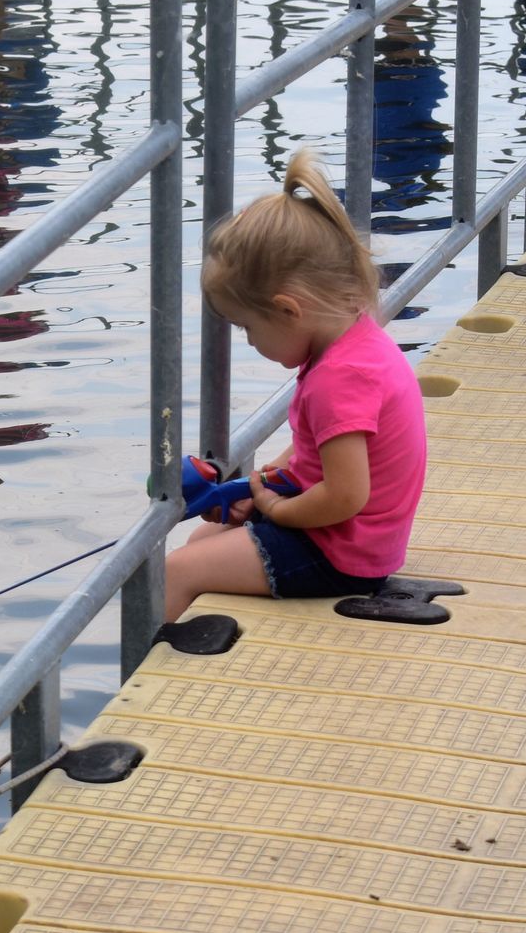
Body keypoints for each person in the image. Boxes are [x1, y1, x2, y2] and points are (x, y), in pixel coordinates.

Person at [162, 153, 428, 619]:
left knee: (176, 571)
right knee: (203, 538)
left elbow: (345, 496)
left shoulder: (338, 379)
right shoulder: (355, 340)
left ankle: (151, 657)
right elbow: (330, 446)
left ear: (288, 310)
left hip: (341, 552)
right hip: (352, 536)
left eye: (247, 326)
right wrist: (268, 481)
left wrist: (278, 510)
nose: (249, 340)